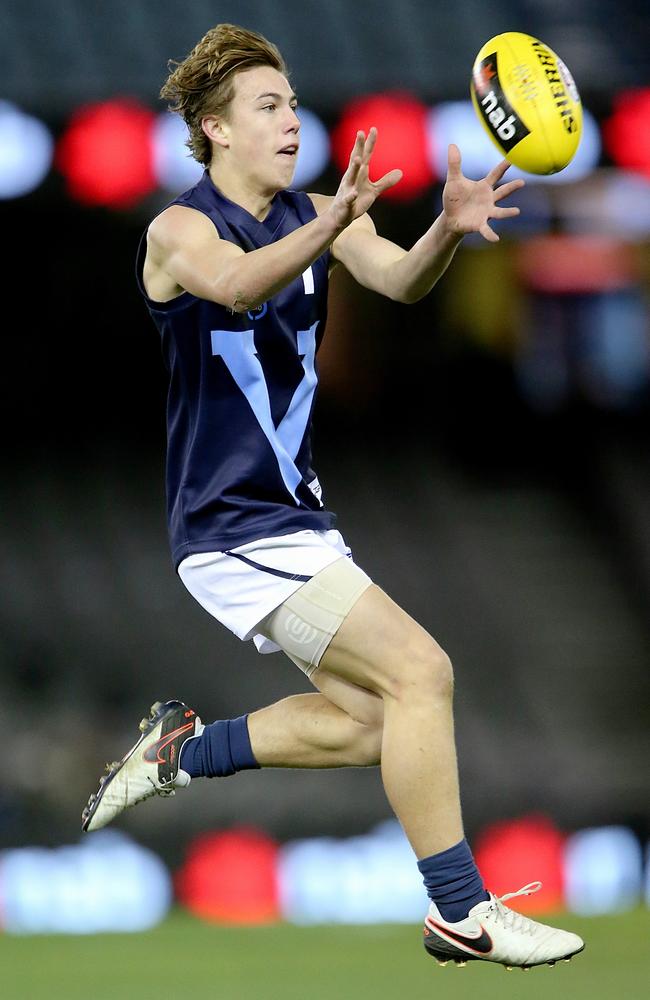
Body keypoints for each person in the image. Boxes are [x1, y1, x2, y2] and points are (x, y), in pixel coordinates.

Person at [81, 23, 584, 970]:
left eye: (293, 103)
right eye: (267, 106)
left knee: (380, 724)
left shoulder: (325, 213)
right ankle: (460, 910)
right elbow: (232, 288)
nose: (290, 120)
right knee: (424, 672)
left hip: (299, 519)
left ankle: (183, 752)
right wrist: (332, 218)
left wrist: (441, 228)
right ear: (214, 129)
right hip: (229, 525)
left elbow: (396, 282)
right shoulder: (180, 228)